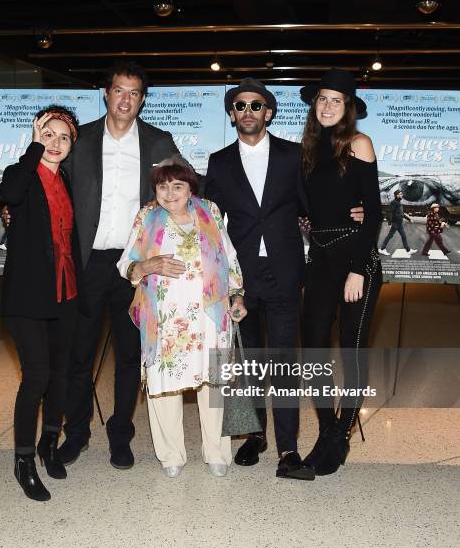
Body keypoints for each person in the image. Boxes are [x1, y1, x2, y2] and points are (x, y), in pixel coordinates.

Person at [53, 61, 180, 469]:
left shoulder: (160, 141)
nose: (125, 99)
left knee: (129, 356)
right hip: (88, 262)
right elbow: (52, 185)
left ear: (142, 100)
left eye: (134, 93)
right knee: (80, 354)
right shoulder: (81, 138)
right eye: (119, 91)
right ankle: (76, 432)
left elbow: (186, 191)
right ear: (106, 94)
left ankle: (120, 434)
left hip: (136, 266)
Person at [205, 78, 316, 480]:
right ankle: (255, 434)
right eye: (240, 106)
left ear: (268, 112)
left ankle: (288, 446)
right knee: (248, 360)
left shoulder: (293, 155)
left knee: (285, 362)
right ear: (232, 114)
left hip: (285, 272)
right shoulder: (218, 162)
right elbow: (209, 220)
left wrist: (350, 215)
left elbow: (311, 205)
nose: (248, 111)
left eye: (256, 105)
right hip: (242, 276)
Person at [117, 161, 247, 478]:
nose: (170, 193)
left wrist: (238, 295)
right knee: (164, 384)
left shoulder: (210, 212)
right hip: (165, 319)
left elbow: (229, 256)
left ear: (191, 188)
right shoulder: (148, 216)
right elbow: (126, 264)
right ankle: (170, 453)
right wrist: (148, 266)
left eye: (178, 186)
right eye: (163, 186)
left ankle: (216, 451)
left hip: (210, 315)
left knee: (214, 384)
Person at [299, 68, 383, 476]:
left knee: (351, 351)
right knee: (312, 346)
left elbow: (374, 212)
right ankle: (328, 429)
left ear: (348, 108)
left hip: (355, 260)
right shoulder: (310, 150)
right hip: (321, 258)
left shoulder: (359, 143)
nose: (328, 106)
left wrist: (357, 271)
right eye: (323, 99)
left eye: (337, 100)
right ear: (315, 105)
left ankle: (339, 439)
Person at [0, 106, 81, 501]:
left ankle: (50, 442)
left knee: (60, 373)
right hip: (28, 295)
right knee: (37, 377)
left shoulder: (65, 178)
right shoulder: (24, 175)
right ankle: (23, 461)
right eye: (49, 134)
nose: (56, 143)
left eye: (64, 137)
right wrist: (34, 146)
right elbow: (9, 193)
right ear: (36, 136)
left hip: (65, 291)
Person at [379, 189, 416, 255]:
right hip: (395, 223)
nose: (401, 195)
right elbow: (390, 213)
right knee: (390, 236)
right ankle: (382, 249)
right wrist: (390, 223)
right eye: (399, 194)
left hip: (399, 224)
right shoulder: (394, 203)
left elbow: (401, 214)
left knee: (403, 236)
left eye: (401, 194)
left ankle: (408, 250)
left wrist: (409, 219)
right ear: (396, 195)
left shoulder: (399, 203)